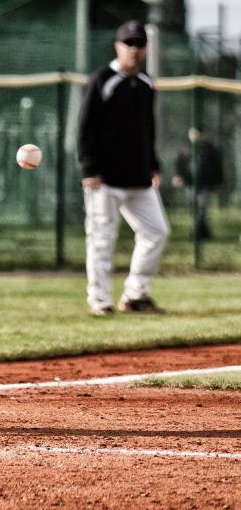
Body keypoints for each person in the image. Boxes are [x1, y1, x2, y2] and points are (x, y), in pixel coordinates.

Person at [78, 21, 168, 316]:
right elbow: (85, 127)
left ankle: (135, 295)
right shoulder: (102, 80)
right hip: (105, 179)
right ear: (118, 46)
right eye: (129, 43)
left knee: (156, 232)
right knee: (101, 240)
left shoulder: (146, 83)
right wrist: (89, 168)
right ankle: (100, 300)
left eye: (139, 44)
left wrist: (153, 165)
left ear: (145, 48)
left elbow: (149, 128)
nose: (134, 49)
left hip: (139, 178)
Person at [172, 126, 225, 241]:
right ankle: (204, 232)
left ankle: (198, 233)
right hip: (189, 183)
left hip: (205, 184)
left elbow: (218, 168)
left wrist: (219, 183)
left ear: (202, 134)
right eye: (191, 134)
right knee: (195, 208)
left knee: (201, 208)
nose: (193, 136)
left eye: (196, 134)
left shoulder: (210, 150)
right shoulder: (186, 148)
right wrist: (177, 176)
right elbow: (178, 164)